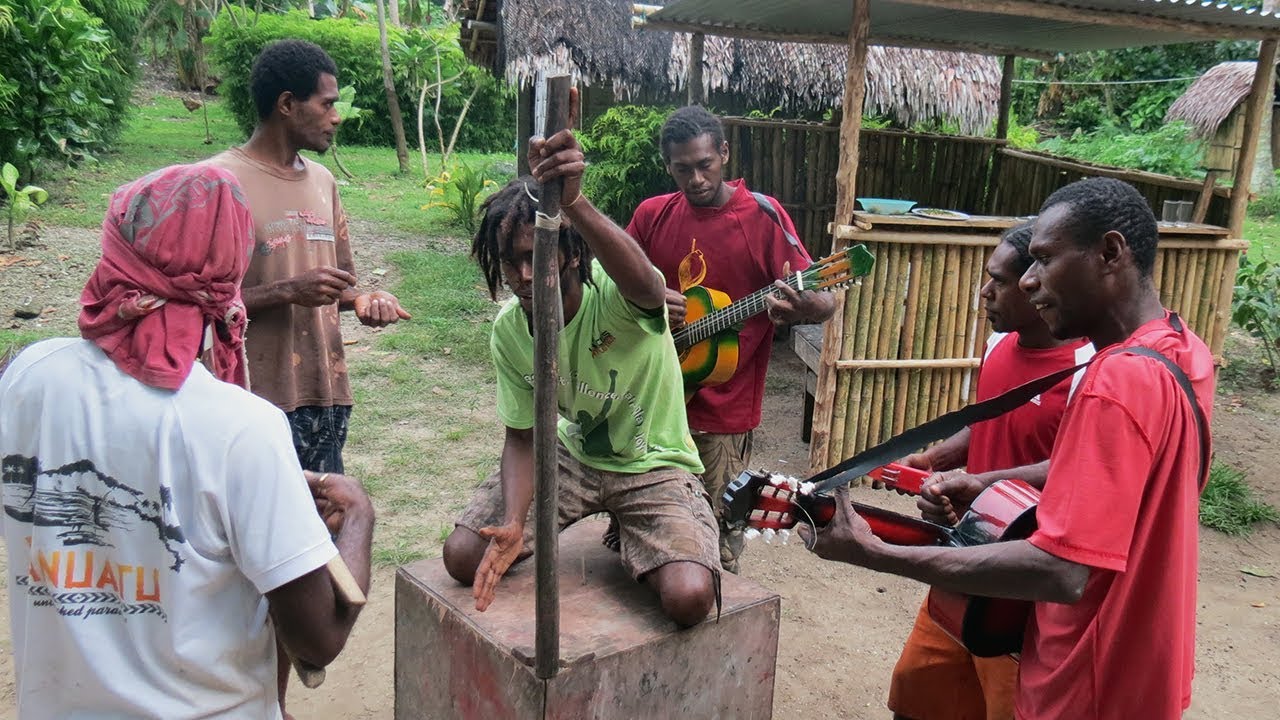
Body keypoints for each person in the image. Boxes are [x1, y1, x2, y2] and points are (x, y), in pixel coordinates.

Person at [804, 177, 1213, 720]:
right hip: (1141, 669)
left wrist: (875, 553)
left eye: (1044, 259)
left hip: (1087, 680)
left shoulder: (1114, 382)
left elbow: (1060, 570)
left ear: (1110, 253)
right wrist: (981, 480)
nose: (1028, 280)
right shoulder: (1181, 352)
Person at [0, 164, 374, 719]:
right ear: (231, 268)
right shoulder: (241, 428)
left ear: (117, 242)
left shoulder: (25, 378)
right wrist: (359, 514)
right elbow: (319, 641)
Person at [441, 90, 719, 627]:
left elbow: (648, 287)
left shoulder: (615, 299)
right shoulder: (510, 331)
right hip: (572, 457)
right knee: (462, 556)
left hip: (653, 463)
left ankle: (632, 531)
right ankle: (609, 524)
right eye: (510, 262)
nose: (524, 276)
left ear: (569, 253)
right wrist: (515, 521)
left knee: (688, 599)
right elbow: (522, 437)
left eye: (535, 256)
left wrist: (574, 202)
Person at [885, 224, 1093, 720]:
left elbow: (1077, 466)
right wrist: (936, 460)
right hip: (967, 556)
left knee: (1004, 705)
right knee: (916, 694)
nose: (985, 291)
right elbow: (986, 424)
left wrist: (982, 483)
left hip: (1021, 582)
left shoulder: (1088, 368)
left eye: (998, 281)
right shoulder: (998, 344)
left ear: (1036, 286)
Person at [625, 105, 836, 573]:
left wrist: (805, 306)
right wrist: (650, 297)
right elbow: (614, 278)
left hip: (723, 408)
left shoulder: (761, 215)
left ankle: (714, 602)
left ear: (723, 152)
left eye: (705, 164)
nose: (696, 179)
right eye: (683, 169)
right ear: (668, 166)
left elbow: (823, 298)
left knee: (719, 532)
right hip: (651, 396)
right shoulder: (652, 214)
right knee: (643, 517)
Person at [209, 39, 410, 476]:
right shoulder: (219, 183)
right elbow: (196, 305)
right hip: (249, 397)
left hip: (325, 395)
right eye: (327, 104)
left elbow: (341, 285)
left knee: (324, 515)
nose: (336, 116)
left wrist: (363, 300)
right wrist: (287, 291)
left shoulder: (322, 180)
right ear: (287, 104)